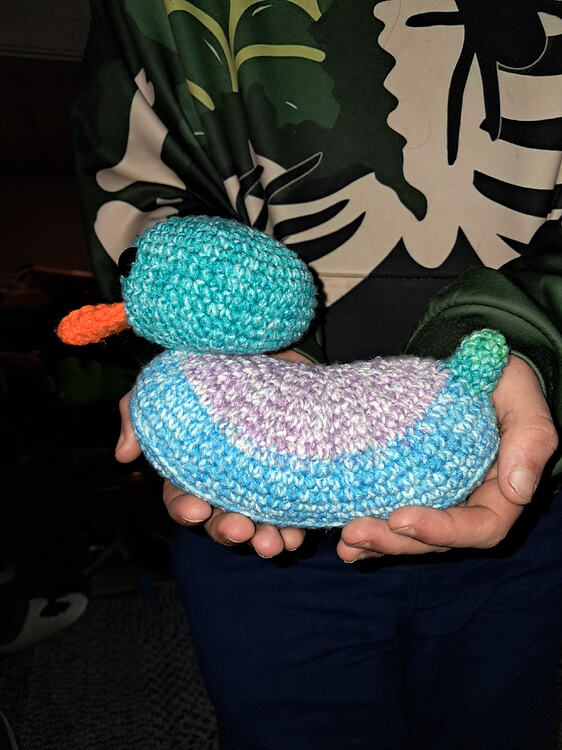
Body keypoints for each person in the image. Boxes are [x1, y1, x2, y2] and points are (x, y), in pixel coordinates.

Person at [72, 2, 562, 748]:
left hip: (532, 486)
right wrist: (217, 335)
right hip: (257, 535)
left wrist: (534, 339)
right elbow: (138, 186)